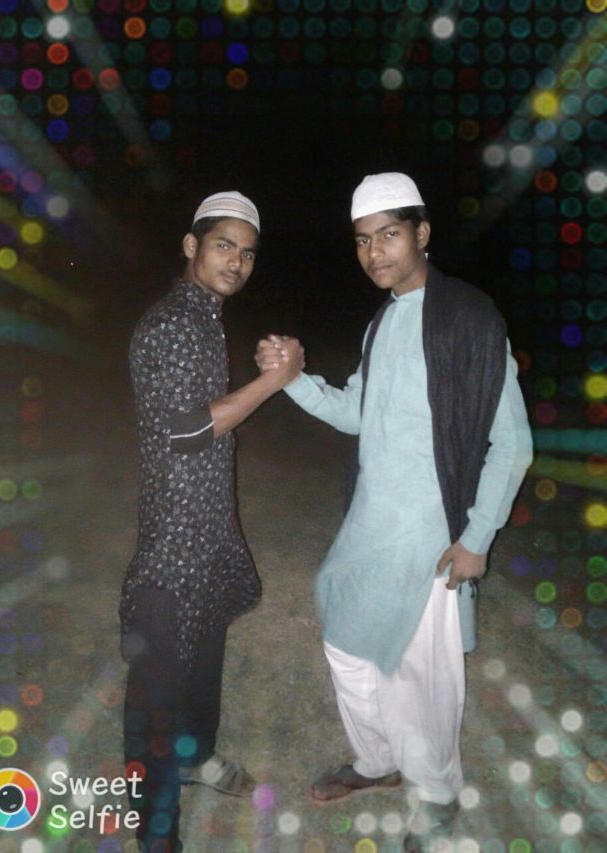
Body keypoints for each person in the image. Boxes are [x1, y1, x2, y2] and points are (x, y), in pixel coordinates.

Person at [256, 173, 532, 851]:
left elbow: (513, 442)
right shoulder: (383, 321)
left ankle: (435, 794)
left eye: (389, 234)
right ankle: (377, 759)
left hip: (433, 534)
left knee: (421, 675)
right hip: (374, 522)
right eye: (362, 240)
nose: (374, 252)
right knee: (345, 643)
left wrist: (476, 537)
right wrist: (293, 381)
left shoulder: (468, 319)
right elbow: (359, 411)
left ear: (422, 234)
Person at [120, 191, 303, 853]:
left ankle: (196, 757)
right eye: (224, 245)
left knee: (203, 659)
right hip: (173, 542)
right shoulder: (172, 323)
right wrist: (273, 381)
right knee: (159, 692)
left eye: (247, 252)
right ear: (191, 245)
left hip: (207, 531)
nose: (236, 262)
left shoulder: (204, 317)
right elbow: (185, 430)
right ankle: (156, 833)